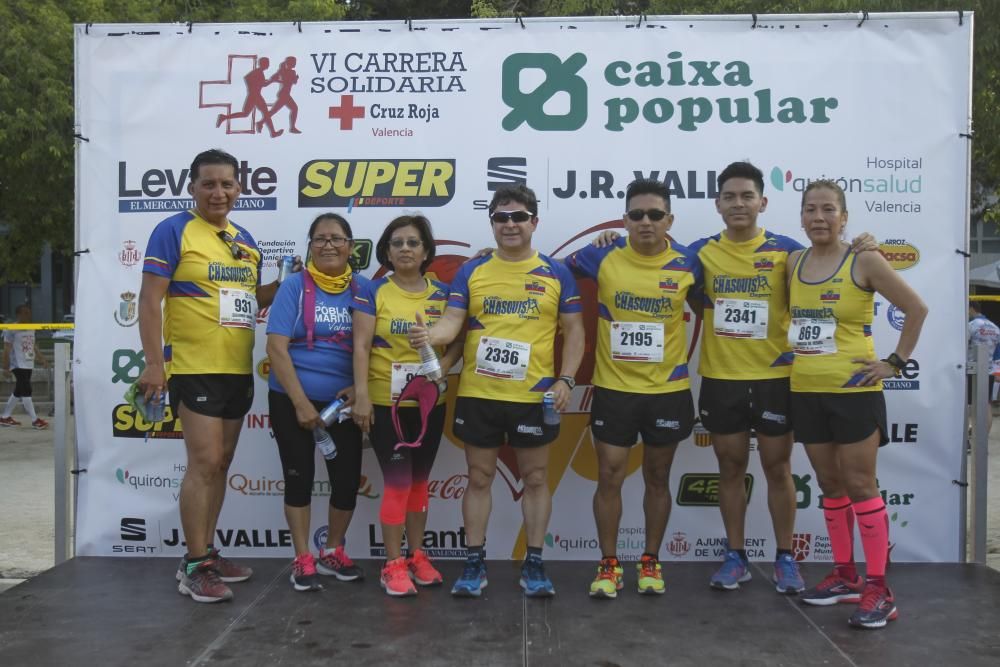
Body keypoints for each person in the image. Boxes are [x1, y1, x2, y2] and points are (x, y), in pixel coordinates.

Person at [408, 184, 585, 598]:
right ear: (492, 223)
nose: (509, 224)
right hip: (480, 394)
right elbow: (453, 321)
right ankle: (474, 562)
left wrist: (567, 379)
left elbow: (575, 332)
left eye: (518, 216)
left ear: (534, 222)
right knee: (479, 477)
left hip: (533, 397)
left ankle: (535, 563)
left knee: (537, 478)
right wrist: (428, 334)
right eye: (501, 217)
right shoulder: (473, 271)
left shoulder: (556, 271)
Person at [138, 148, 283, 603]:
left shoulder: (246, 240)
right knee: (203, 463)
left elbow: (249, 298)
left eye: (226, 184)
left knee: (221, 464)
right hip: (194, 367)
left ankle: (207, 552)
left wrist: (288, 284)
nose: (218, 192)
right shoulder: (173, 230)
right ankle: (194, 564)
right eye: (208, 184)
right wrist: (154, 363)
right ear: (192, 187)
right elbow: (148, 299)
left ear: (240, 188)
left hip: (236, 369)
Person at [788, 180, 927, 629]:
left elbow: (916, 308)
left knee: (861, 485)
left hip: (854, 392)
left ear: (844, 217)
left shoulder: (864, 259)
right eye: (811, 209)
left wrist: (895, 362)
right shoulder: (792, 261)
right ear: (801, 216)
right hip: (806, 389)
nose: (819, 217)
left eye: (829, 209)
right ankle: (845, 576)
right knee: (830, 484)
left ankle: (878, 587)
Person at [565, 178, 699, 598]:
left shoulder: (689, 263)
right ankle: (608, 564)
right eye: (636, 215)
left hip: (667, 391)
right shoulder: (601, 255)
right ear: (624, 220)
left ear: (669, 220)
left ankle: (650, 560)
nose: (645, 222)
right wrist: (490, 259)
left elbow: (722, 307)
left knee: (658, 477)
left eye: (655, 215)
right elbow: (547, 272)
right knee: (610, 475)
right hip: (614, 389)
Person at [687, 162, 807, 593]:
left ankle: (785, 557)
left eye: (747, 196)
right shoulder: (699, 252)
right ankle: (735, 555)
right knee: (730, 466)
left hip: (776, 378)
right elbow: (650, 263)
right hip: (723, 378)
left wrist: (863, 245)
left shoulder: (788, 250)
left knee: (778, 467)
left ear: (763, 201)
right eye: (730, 197)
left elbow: (833, 269)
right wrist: (611, 239)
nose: (739, 204)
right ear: (718, 204)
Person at [352, 215, 464, 597]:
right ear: (386, 250)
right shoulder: (373, 291)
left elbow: (458, 342)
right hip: (388, 404)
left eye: (412, 243)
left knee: (419, 483)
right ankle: (393, 563)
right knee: (398, 484)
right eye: (397, 242)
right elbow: (362, 346)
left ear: (426, 251)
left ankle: (417, 555)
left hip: (431, 404)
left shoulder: (445, 292)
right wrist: (363, 396)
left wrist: (442, 370)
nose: (404, 249)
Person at [267, 213, 369, 593]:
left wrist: (360, 390)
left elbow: (371, 348)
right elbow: (275, 348)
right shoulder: (293, 286)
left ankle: (333, 551)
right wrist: (300, 403)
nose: (328, 245)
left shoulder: (363, 289)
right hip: (291, 397)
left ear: (350, 246)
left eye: (337, 238)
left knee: (345, 481)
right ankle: (302, 558)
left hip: (342, 402)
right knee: (299, 479)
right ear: (309, 246)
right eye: (320, 239)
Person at [0, 304, 49, 429]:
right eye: (25, 313)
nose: (28, 315)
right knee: (27, 390)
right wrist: (5, 367)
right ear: (19, 314)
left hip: (28, 363)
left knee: (19, 391)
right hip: (17, 364)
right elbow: (6, 348)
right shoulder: (11, 329)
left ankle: (5, 417)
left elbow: (33, 345)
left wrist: (41, 358)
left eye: (29, 312)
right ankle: (35, 420)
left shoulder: (31, 328)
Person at [967, 300, 999, 433]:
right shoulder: (995, 327)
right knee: (986, 404)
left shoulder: (971, 325)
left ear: (971, 308)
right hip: (989, 371)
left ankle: (969, 435)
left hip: (971, 369)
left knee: (968, 404)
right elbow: (998, 354)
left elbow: (961, 345)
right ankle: (983, 437)